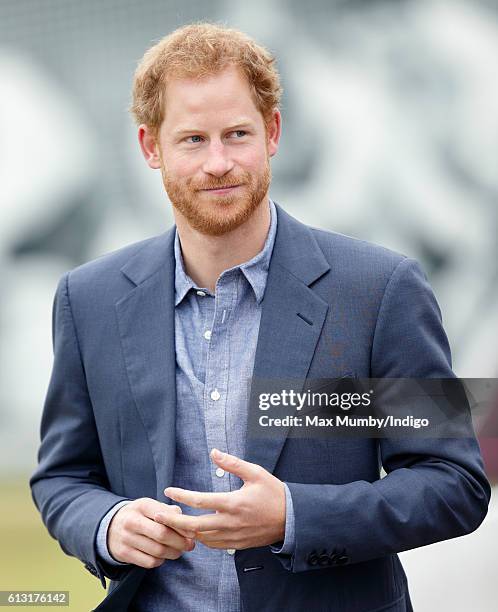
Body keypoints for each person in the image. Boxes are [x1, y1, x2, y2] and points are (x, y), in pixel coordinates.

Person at [30, 22, 490, 612]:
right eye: (193, 139)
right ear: (151, 147)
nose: (218, 163)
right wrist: (107, 524)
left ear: (273, 133)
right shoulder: (87, 299)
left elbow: (454, 484)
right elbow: (62, 478)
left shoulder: (380, 290)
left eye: (237, 134)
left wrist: (296, 516)